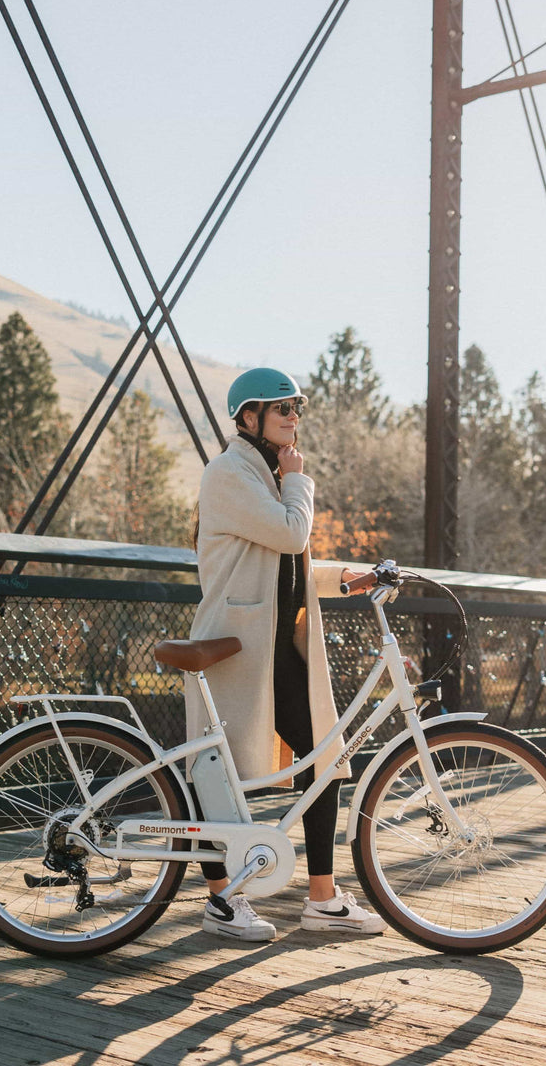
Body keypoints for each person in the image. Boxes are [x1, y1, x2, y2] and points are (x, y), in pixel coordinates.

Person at [185, 367, 387, 942]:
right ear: (249, 419)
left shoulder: (265, 477)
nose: (293, 418)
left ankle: (322, 898)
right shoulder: (229, 474)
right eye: (282, 410)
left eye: (296, 408)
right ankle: (221, 900)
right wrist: (301, 481)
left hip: (273, 649)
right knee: (214, 773)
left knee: (324, 758)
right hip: (233, 649)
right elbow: (290, 534)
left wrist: (347, 577)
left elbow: (282, 562)